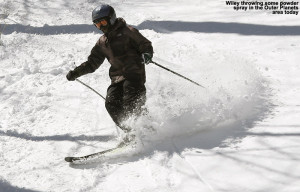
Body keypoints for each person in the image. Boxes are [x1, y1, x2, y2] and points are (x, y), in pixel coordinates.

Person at [66, 4, 153, 133]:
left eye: (102, 22)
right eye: (97, 24)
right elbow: (92, 63)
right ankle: (131, 131)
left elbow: (145, 44)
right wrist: (76, 73)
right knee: (111, 103)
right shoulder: (102, 42)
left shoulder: (128, 31)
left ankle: (144, 129)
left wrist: (147, 53)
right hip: (117, 78)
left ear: (111, 18)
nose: (101, 27)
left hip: (134, 74)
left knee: (130, 102)